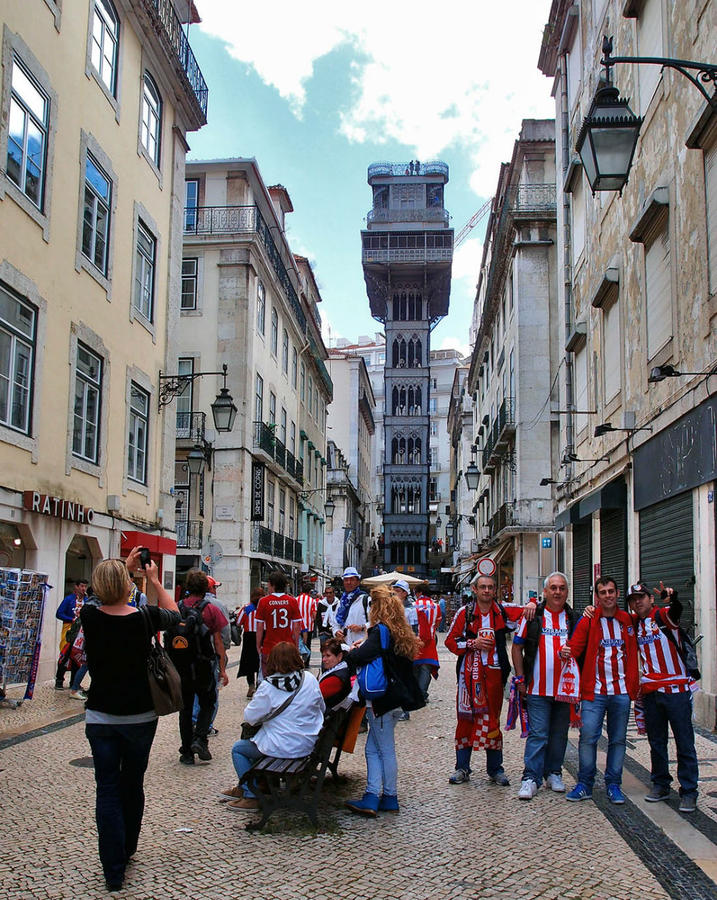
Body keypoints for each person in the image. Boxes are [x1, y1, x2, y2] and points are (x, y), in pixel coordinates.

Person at [80, 548, 180, 892]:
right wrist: (151, 579)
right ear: (128, 586)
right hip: (139, 716)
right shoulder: (144, 617)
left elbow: (99, 594)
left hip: (101, 716)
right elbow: (175, 612)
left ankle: (113, 869)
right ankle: (129, 847)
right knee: (132, 782)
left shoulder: (89, 617)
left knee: (106, 788)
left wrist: (121, 568)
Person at [446, 574, 532, 787]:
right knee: (465, 719)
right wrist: (472, 643)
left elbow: (528, 611)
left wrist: (532, 602)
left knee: (492, 719)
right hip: (467, 676)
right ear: (474, 589)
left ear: (495, 590)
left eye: (490, 587)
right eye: (482, 587)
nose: (486, 591)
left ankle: (495, 769)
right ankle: (462, 767)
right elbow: (450, 641)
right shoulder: (464, 613)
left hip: (494, 674)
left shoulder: (501, 611)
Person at [343, 585, 423, 816]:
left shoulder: (380, 630)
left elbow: (359, 656)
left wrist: (350, 649)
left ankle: (384, 796)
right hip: (395, 698)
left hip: (382, 700)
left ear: (376, 607)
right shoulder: (398, 629)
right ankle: (378, 795)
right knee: (374, 748)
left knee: (384, 749)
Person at [562, 575, 639, 804]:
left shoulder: (627, 621)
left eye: (611, 591)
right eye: (603, 592)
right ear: (597, 596)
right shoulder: (589, 620)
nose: (608, 595)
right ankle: (585, 783)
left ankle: (613, 784)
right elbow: (574, 647)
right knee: (588, 737)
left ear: (617, 594)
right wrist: (563, 653)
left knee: (618, 740)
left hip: (621, 691)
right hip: (594, 691)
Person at [223, 641, 325, 811]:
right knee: (259, 739)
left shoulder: (269, 686)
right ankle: (259, 784)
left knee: (239, 749)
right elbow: (321, 707)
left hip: (281, 747)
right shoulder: (309, 679)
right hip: (307, 745)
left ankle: (251, 794)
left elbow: (250, 717)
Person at [627, 581, 699, 813]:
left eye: (641, 597)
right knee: (656, 742)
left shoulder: (664, 616)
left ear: (651, 598)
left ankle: (689, 791)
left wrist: (674, 596)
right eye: (633, 599)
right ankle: (660, 784)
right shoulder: (635, 624)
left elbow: (677, 611)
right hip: (651, 693)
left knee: (684, 742)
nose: (638, 602)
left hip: (676, 692)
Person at [511, 571, 577, 800]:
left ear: (567, 592)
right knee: (538, 734)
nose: (558, 592)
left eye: (562, 588)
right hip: (537, 688)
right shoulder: (532, 616)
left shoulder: (573, 618)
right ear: (545, 591)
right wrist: (520, 678)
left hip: (565, 689)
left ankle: (553, 773)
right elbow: (517, 646)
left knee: (559, 734)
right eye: (554, 588)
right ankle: (530, 777)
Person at [173, 569, 229, 766]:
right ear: (206, 588)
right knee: (208, 702)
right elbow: (218, 641)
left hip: (182, 666)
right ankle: (200, 738)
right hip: (204, 664)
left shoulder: (177, 607)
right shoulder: (211, 609)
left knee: (185, 709)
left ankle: (186, 751)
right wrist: (222, 669)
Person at [192, 577, 231, 736]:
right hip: (211, 654)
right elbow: (224, 633)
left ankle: (193, 721)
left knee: (193, 691)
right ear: (210, 589)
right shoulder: (218, 605)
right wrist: (225, 650)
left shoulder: (185, 604)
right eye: (215, 587)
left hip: (191, 655)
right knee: (211, 690)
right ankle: (206, 726)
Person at [255, 570, 301, 677]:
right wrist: (296, 646)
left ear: (272, 584)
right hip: (288, 646)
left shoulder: (263, 601)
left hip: (269, 646)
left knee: (268, 676)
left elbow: (260, 626)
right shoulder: (292, 601)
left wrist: (258, 645)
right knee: (287, 675)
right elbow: (296, 626)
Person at [55, 579, 88, 689]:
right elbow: (59, 613)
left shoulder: (87, 600)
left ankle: (74, 682)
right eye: (82, 586)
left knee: (77, 656)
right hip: (69, 632)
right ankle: (59, 680)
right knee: (65, 655)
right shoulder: (68, 599)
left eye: (85, 586)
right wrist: (71, 619)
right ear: (76, 586)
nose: (83, 589)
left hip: (81, 632)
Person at [413, 588, 441, 700]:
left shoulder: (413, 605)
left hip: (415, 640)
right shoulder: (436, 606)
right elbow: (438, 622)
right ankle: (422, 694)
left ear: (419, 593)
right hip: (430, 641)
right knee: (426, 668)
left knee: (414, 667)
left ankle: (415, 692)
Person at [334, 567, 371, 646]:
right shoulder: (341, 602)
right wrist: (336, 631)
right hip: (345, 645)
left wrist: (361, 628)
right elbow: (335, 622)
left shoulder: (366, 600)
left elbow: (376, 622)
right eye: (346, 580)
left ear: (358, 582)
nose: (349, 582)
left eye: (352, 579)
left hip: (362, 645)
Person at [236, 587, 262, 698]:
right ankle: (260, 685)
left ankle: (251, 684)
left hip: (249, 637)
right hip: (261, 635)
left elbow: (238, 622)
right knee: (260, 661)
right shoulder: (264, 607)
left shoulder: (247, 608)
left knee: (249, 661)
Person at [318, 638, 352, 708]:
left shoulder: (336, 678)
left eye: (328, 655)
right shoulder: (343, 670)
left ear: (339, 656)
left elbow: (313, 697)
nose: (323, 659)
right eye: (323, 656)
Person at [296, 583, 318, 667]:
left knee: (297, 644)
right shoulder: (312, 600)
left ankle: (297, 662)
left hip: (297, 627)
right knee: (307, 645)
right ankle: (306, 663)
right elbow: (314, 614)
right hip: (309, 626)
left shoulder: (296, 599)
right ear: (309, 591)